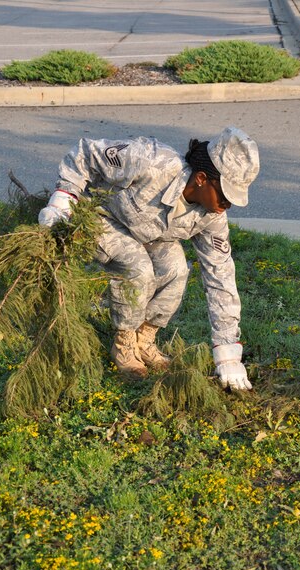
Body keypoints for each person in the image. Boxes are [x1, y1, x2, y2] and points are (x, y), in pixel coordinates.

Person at [38, 127, 260, 390]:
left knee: (177, 270)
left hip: (145, 231)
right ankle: (123, 343)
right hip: (101, 215)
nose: (228, 205)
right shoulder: (152, 161)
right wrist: (63, 199)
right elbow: (86, 153)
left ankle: (144, 339)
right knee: (137, 267)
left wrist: (227, 353)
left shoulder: (211, 217)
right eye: (225, 195)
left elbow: (220, 276)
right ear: (201, 178)